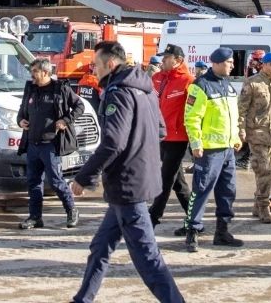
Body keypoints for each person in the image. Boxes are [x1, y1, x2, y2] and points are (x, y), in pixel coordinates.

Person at [69, 41, 184, 303]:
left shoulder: (118, 92)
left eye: (96, 65)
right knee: (100, 247)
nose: (94, 71)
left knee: (147, 257)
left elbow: (113, 142)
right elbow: (161, 131)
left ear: (111, 64)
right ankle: (83, 298)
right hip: (137, 181)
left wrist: (84, 176)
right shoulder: (146, 90)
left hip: (128, 185)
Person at [181, 47, 245, 252]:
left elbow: (232, 117)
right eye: (229, 62)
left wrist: (235, 137)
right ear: (216, 63)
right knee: (201, 191)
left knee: (228, 192)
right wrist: (196, 144)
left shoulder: (228, 85)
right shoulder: (200, 86)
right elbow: (191, 118)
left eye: (232, 62)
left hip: (227, 150)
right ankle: (192, 231)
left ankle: (222, 232)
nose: (232, 65)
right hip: (209, 151)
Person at [16, 58, 83, 229]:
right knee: (33, 182)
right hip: (32, 144)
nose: (32, 75)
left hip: (50, 144)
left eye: (35, 72)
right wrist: (21, 121)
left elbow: (79, 106)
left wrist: (65, 120)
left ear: (45, 72)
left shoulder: (60, 89)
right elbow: (21, 113)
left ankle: (71, 210)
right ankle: (35, 217)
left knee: (55, 181)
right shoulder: (30, 89)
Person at [237, 51, 271, 223]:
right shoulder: (252, 83)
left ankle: (257, 204)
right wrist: (241, 131)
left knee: (270, 172)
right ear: (264, 65)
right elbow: (242, 109)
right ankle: (264, 206)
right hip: (257, 134)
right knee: (263, 170)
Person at [149, 45, 193, 228]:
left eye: (167, 57)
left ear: (178, 60)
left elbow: (194, 110)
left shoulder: (188, 81)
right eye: (163, 57)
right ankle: (193, 216)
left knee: (166, 178)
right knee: (178, 182)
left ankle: (153, 217)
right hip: (160, 136)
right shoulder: (156, 78)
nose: (163, 60)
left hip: (178, 137)